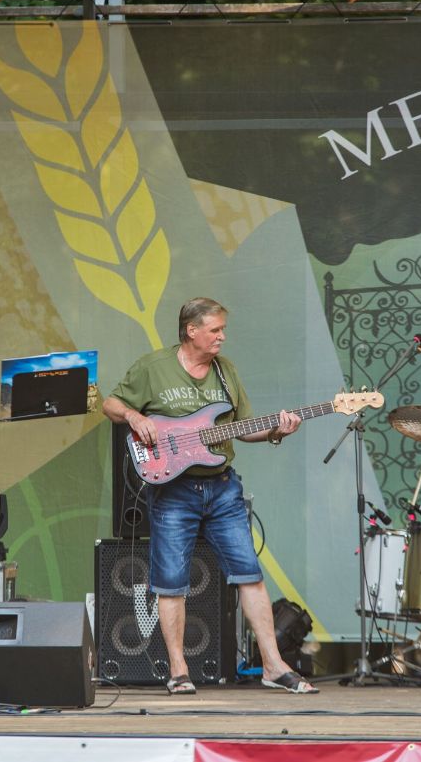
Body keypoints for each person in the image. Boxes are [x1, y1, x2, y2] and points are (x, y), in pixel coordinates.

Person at [102, 297, 319, 695]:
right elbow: (110, 403)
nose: (222, 337)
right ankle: (178, 671)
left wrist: (277, 430)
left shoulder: (225, 371)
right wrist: (135, 416)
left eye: (222, 330)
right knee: (171, 582)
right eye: (215, 330)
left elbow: (242, 427)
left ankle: (273, 666)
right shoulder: (154, 367)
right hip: (173, 491)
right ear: (192, 331)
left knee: (249, 574)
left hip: (221, 488)